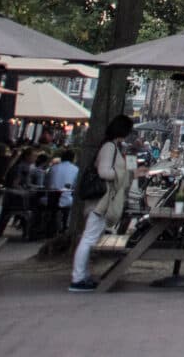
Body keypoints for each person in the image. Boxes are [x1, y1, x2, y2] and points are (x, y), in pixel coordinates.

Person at [69, 115, 139, 292]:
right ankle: (77, 279)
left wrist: (131, 172)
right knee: (89, 238)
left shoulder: (113, 146)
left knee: (91, 236)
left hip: (104, 202)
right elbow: (104, 172)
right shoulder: (109, 148)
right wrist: (121, 174)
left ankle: (83, 275)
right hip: (101, 201)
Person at [48, 149, 79, 235]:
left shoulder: (53, 168)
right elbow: (75, 185)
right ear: (73, 158)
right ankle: (66, 227)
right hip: (67, 198)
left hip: (52, 199)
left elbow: (48, 183)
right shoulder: (75, 169)